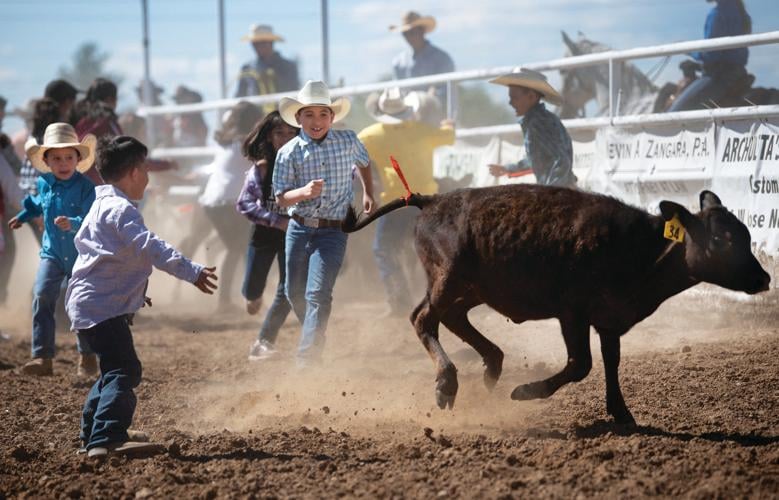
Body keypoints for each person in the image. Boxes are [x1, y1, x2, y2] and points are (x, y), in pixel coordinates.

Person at [65, 135, 218, 458]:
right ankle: (107, 437)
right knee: (125, 369)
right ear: (134, 172)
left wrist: (134, 290)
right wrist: (191, 271)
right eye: (146, 169)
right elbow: (151, 247)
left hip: (89, 303)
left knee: (113, 369)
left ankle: (93, 432)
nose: (148, 177)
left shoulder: (100, 205)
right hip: (100, 306)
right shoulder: (121, 210)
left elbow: (112, 257)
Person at [273, 80, 374, 365]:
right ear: (298, 118)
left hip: (334, 229)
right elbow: (280, 197)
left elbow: (365, 162)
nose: (316, 121)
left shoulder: (348, 140)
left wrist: (368, 191)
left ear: (332, 117)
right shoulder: (288, 152)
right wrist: (303, 192)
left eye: (322, 114)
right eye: (309, 114)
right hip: (299, 227)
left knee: (317, 293)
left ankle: (307, 359)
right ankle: (314, 331)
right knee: (294, 293)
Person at [8, 123, 97, 377]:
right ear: (46, 160)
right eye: (56, 158)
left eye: (69, 157)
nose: (63, 162)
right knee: (43, 295)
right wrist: (24, 216)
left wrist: (74, 224)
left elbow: (92, 218)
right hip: (52, 253)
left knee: (80, 303)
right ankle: (42, 357)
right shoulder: (44, 182)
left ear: (78, 158)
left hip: (81, 253)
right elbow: (38, 204)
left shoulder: (86, 187)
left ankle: (87, 354)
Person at [358, 87, 454, 317]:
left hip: (397, 202)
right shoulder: (423, 131)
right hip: (429, 203)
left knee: (384, 249)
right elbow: (449, 136)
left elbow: (354, 152)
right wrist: (449, 124)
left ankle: (399, 300)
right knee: (436, 250)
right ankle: (445, 295)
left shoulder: (371, 135)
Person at [237, 111, 299, 360]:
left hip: (293, 236)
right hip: (263, 236)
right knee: (253, 290)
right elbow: (244, 203)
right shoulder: (262, 169)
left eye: (291, 133)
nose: (285, 138)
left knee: (288, 289)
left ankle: (264, 341)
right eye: (279, 133)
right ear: (269, 137)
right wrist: (277, 221)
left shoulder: (306, 164)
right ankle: (253, 295)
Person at [199, 101, 264, 312]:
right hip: (229, 201)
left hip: (213, 200)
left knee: (237, 246)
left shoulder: (227, 140)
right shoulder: (247, 142)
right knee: (237, 247)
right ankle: (227, 299)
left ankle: (237, 296)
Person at [488, 68, 577, 188]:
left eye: (514, 98)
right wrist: (507, 168)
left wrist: (550, 193)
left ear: (531, 96)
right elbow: (535, 159)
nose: (510, 102)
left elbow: (561, 161)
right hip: (559, 188)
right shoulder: (541, 120)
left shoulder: (538, 123)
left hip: (557, 191)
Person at [669, 0, 752, 112]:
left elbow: (711, 55)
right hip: (737, 72)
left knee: (674, 113)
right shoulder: (742, 13)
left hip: (718, 76)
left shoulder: (717, 13)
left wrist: (687, 49)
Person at [389, 11, 455, 105]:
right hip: (406, 115)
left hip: (435, 115)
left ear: (422, 31)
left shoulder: (441, 59)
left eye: (412, 32)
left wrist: (431, 97)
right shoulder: (398, 62)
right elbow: (397, 90)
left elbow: (447, 92)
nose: (408, 37)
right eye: (405, 33)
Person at [235, 24, 300, 109]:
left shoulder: (287, 67)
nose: (258, 47)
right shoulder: (247, 68)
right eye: (255, 43)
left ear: (271, 43)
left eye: (263, 43)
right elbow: (240, 95)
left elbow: (292, 93)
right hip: (254, 118)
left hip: (282, 116)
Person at [73, 78, 122, 185]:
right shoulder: (108, 123)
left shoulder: (81, 123)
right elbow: (123, 153)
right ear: (110, 100)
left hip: (80, 185)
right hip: (104, 187)